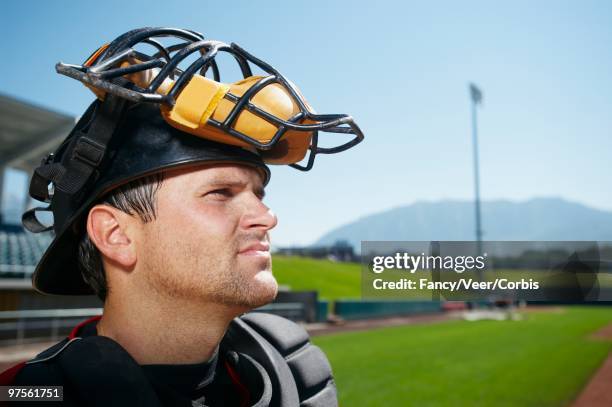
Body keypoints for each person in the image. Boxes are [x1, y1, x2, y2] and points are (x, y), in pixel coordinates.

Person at [0, 27, 363, 406]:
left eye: (259, 194)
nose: (267, 217)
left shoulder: (297, 369)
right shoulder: (24, 395)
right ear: (115, 235)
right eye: (220, 193)